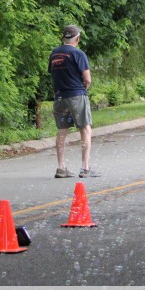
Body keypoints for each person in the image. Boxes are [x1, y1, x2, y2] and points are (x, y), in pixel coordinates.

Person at [48, 25, 97, 178]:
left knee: (62, 130)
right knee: (85, 129)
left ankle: (61, 168)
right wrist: (83, 88)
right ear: (78, 38)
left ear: (63, 37)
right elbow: (87, 79)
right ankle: (85, 168)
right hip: (76, 95)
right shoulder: (78, 54)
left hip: (59, 96)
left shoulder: (54, 54)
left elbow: (53, 74)